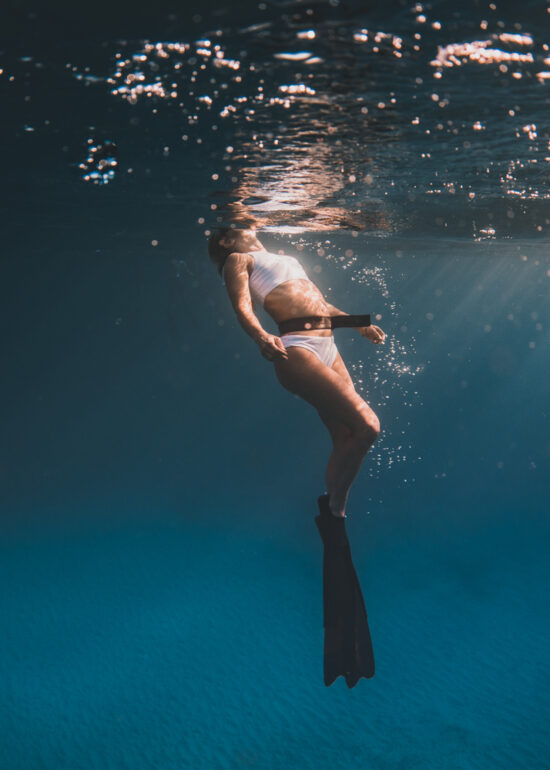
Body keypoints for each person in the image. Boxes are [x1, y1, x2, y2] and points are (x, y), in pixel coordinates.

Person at [209, 226, 385, 519]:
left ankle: (334, 513)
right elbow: (242, 305)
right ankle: (333, 512)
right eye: (241, 223)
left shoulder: (286, 259)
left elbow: (319, 305)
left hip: (327, 345)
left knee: (347, 434)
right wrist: (260, 336)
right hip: (297, 350)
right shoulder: (237, 259)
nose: (251, 222)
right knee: (368, 426)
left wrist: (359, 324)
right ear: (226, 240)